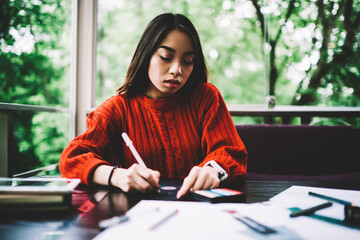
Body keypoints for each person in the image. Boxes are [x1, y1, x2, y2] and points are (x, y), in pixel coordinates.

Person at [59, 13, 247, 199]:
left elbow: (230, 152)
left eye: (187, 61)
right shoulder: (116, 109)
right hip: (140, 214)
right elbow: (72, 159)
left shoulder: (205, 97)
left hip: (199, 211)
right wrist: (116, 176)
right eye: (166, 57)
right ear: (146, 55)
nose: (177, 70)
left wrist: (213, 170)